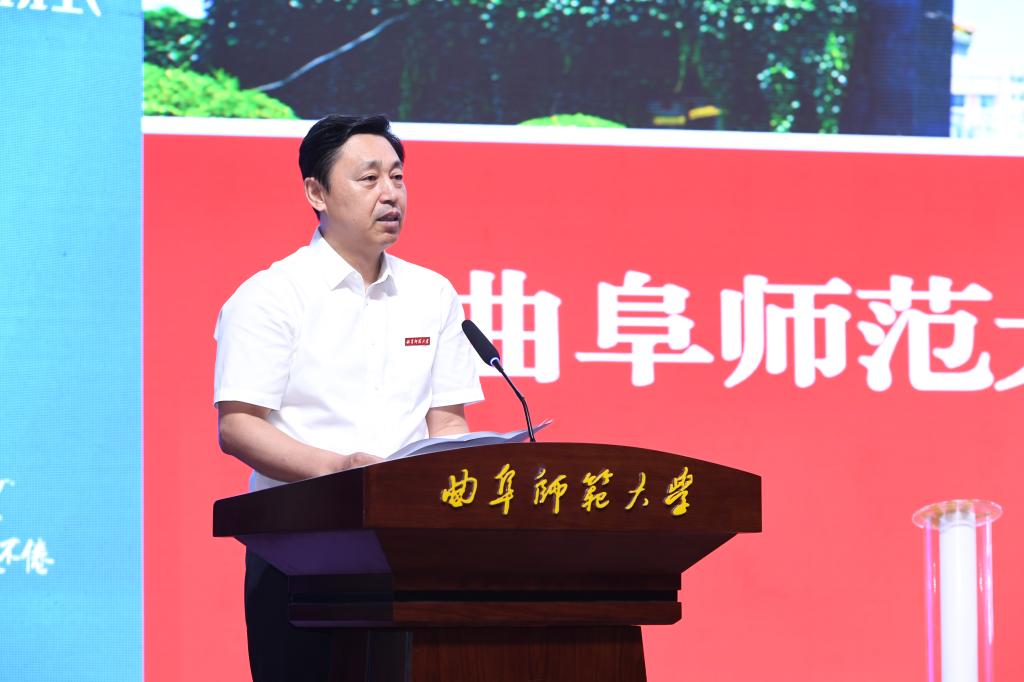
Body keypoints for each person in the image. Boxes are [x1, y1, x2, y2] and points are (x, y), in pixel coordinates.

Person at [212, 114, 483, 681]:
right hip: (298, 550)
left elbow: (448, 423)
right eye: (369, 178)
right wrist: (342, 471)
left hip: (412, 554)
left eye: (398, 177)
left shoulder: (432, 294)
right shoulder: (271, 296)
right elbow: (238, 426)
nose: (390, 194)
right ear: (317, 193)